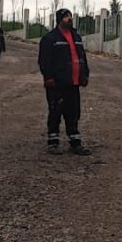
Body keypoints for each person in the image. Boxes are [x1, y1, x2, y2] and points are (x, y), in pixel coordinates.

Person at [38, 8, 91, 155]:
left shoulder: (76, 37)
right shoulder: (50, 39)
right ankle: (53, 142)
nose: (69, 19)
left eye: (70, 16)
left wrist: (85, 74)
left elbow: (82, 58)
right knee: (55, 111)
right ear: (60, 19)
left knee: (73, 112)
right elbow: (44, 61)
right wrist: (48, 77)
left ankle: (75, 143)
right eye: (66, 17)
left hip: (73, 83)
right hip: (57, 83)